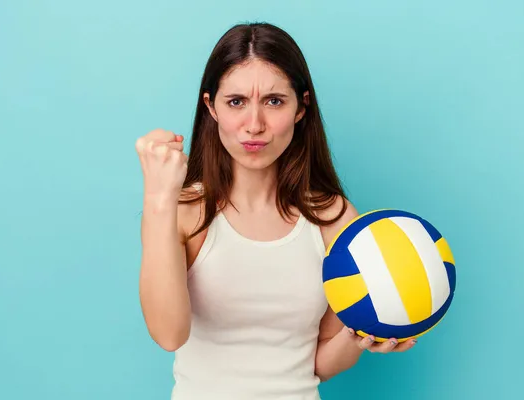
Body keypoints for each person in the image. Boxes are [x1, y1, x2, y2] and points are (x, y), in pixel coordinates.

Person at [135, 22, 417, 400]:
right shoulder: (181, 211)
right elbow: (168, 334)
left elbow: (317, 366)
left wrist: (362, 331)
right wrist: (157, 198)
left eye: (274, 101)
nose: (254, 125)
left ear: (302, 107)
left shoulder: (334, 219)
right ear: (211, 107)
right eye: (236, 102)